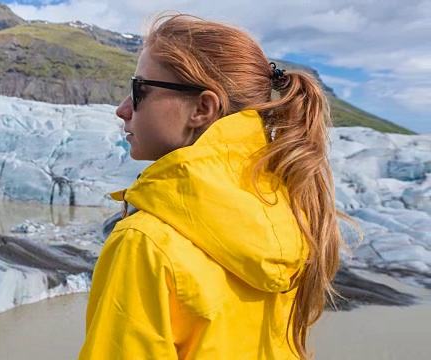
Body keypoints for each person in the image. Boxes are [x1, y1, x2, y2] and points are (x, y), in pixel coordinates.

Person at [79, 13, 354, 360]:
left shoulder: (146, 243)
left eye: (140, 90)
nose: (122, 109)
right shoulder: (288, 216)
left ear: (202, 108)